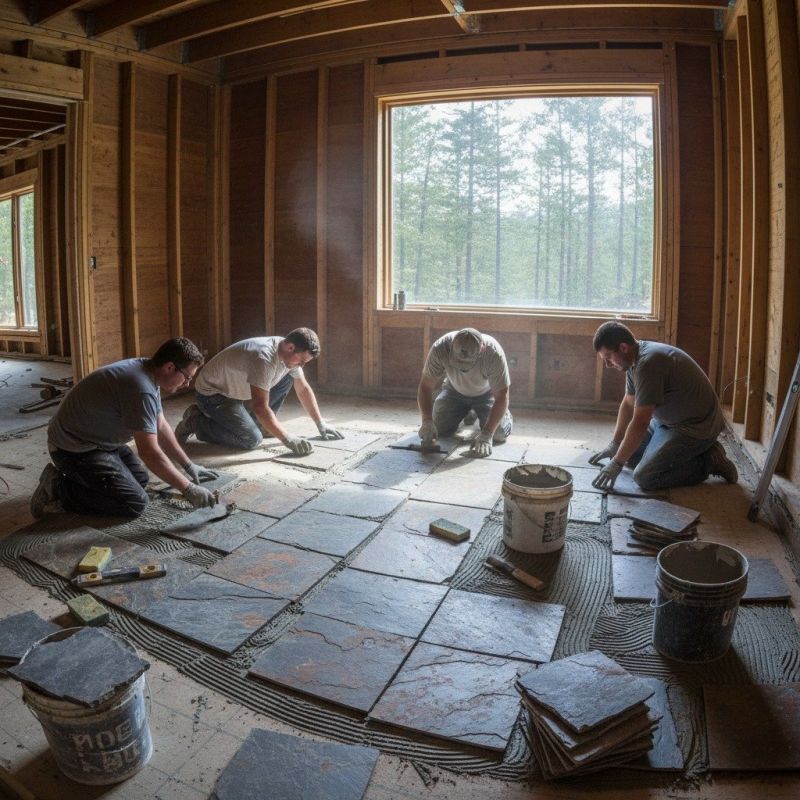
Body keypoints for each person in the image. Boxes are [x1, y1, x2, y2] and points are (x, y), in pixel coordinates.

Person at [30, 337, 219, 519]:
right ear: (170, 367)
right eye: (187, 377)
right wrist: (188, 488)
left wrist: (188, 465)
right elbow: (149, 453)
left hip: (97, 440)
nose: (187, 384)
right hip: (72, 449)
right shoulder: (140, 388)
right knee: (134, 503)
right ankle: (58, 487)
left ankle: (82, 482)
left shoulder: (149, 371)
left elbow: (160, 424)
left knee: (140, 479)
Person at [589, 321, 738, 491]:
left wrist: (616, 463)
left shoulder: (648, 363)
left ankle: (710, 460)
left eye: (608, 358)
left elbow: (640, 422)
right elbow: (629, 404)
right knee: (629, 455)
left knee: (645, 477)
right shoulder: (632, 360)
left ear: (623, 347)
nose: (608, 365)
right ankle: (691, 455)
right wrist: (615, 444)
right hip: (666, 422)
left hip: (695, 429)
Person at [175, 328, 342, 454]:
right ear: (290, 347)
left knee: (288, 378)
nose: (302, 365)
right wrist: (287, 439)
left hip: (237, 390)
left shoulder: (286, 353)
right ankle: (195, 421)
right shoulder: (263, 358)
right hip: (214, 394)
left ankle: (260, 424)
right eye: (302, 360)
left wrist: (320, 423)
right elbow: (259, 406)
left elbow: (303, 389)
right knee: (251, 439)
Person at [417, 327, 513, 458]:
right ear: (451, 346)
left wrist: (487, 434)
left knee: (499, 434)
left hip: (486, 395)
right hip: (453, 391)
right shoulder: (440, 348)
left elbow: (502, 397)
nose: (462, 368)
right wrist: (427, 421)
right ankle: (467, 412)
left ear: (482, 349)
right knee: (438, 428)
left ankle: (503, 416)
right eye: (458, 362)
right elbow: (425, 387)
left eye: (467, 363)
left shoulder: (494, 353)